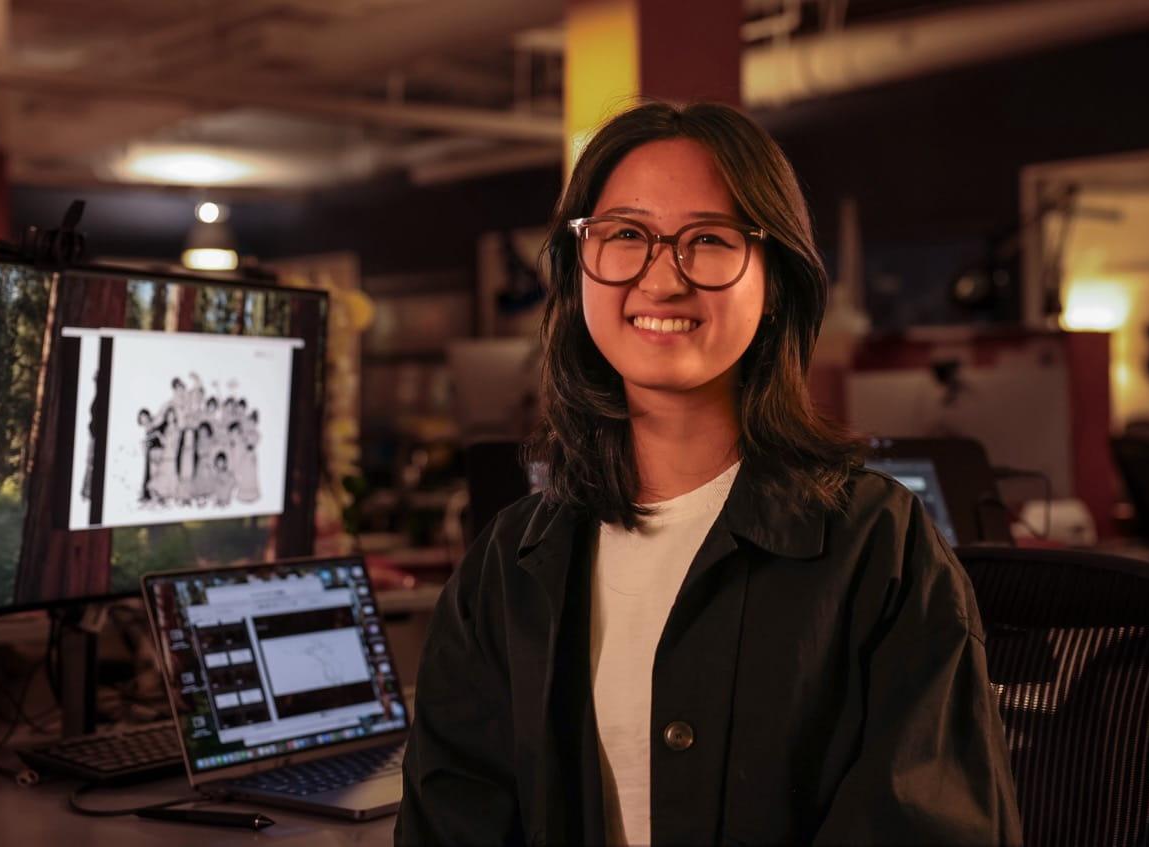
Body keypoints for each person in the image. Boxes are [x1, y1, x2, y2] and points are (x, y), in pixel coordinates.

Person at [395, 100, 1022, 846]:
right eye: (626, 235)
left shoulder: (878, 546)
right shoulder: (507, 566)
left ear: (775, 279)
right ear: (578, 268)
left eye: (710, 240)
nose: (663, 281)